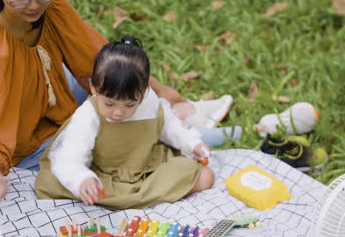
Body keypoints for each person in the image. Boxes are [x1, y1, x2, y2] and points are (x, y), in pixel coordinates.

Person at [0, 0, 237, 211]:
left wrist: (163, 96)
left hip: (56, 98)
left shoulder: (52, 7)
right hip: (31, 139)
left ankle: (180, 110)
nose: (34, 4)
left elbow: (94, 58)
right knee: (137, 142)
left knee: (116, 75)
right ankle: (237, 133)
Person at [35, 36, 215, 209]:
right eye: (109, 103)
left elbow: (169, 126)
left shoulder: (149, 101)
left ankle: (135, 197)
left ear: (144, 92)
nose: (118, 112)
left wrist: (192, 143)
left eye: (129, 105)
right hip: (105, 175)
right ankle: (137, 198)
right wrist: (82, 179)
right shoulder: (89, 114)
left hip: (147, 168)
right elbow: (71, 153)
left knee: (205, 177)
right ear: (94, 88)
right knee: (52, 181)